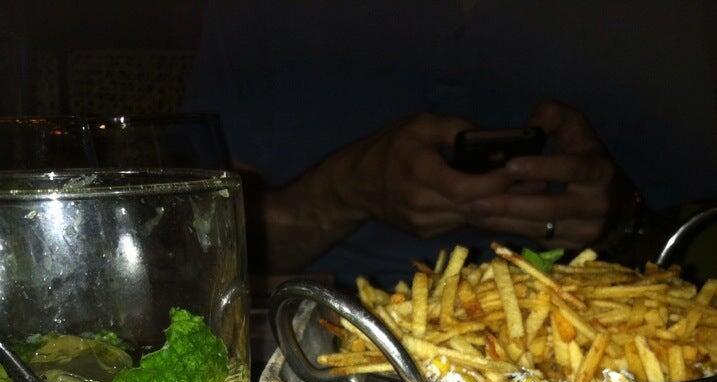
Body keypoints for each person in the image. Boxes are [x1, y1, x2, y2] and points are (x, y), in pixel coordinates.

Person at [186, 0, 717, 288]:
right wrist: (348, 189)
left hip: (588, 344)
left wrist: (621, 218)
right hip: (313, 329)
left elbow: (694, 249)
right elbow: (192, 255)